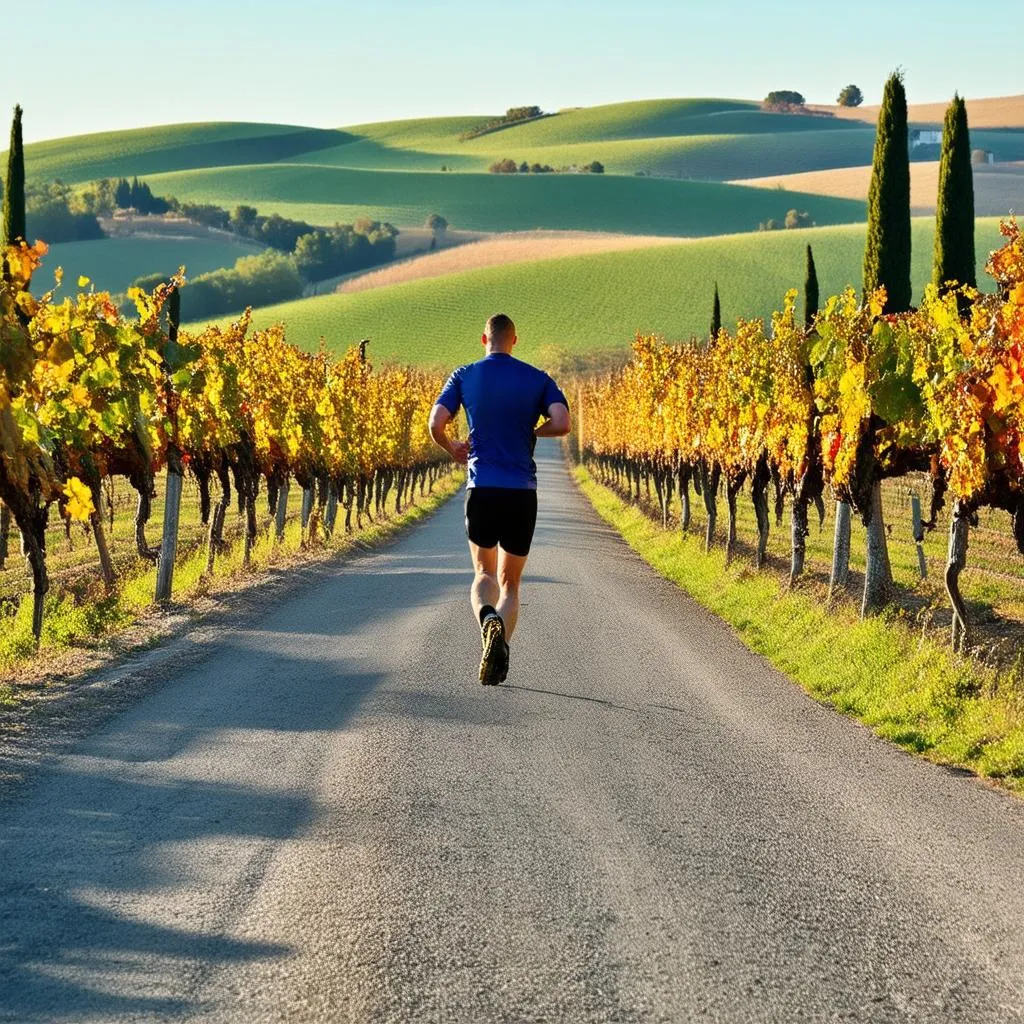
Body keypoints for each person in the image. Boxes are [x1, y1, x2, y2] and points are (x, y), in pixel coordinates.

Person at [428, 313, 571, 685]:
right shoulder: (538, 378)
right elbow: (562, 421)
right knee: (510, 583)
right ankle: (500, 647)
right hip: (522, 493)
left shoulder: (464, 375)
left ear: (484, 339)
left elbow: (435, 423)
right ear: (514, 340)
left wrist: (452, 447)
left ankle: (487, 620)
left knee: (484, 574)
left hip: (482, 488)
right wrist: (534, 430)